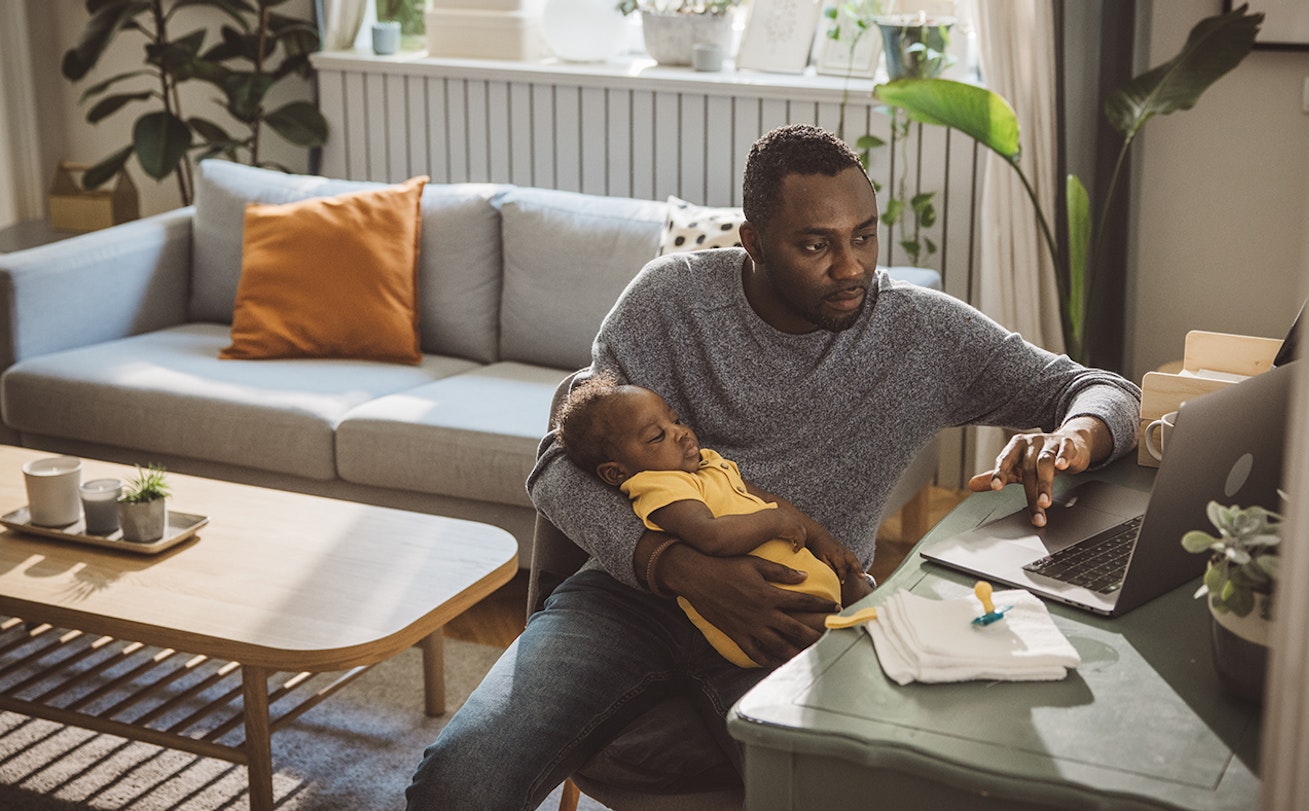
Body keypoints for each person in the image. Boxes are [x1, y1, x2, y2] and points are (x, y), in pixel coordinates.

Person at [405, 124, 1141, 809]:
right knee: (455, 783)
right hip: (630, 602)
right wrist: (679, 567)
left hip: (797, 618)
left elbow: (1105, 391)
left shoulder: (922, 333)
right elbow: (560, 467)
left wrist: (1072, 437)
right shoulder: (670, 301)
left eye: (864, 236)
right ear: (754, 240)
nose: (850, 266)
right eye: (816, 245)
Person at [553, 372, 868, 668]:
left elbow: (771, 501)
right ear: (616, 471)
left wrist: (821, 537)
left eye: (675, 420)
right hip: (764, 616)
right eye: (656, 436)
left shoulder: (707, 465)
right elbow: (711, 536)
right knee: (850, 648)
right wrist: (773, 522)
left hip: (804, 583)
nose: (680, 433)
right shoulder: (659, 487)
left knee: (859, 590)